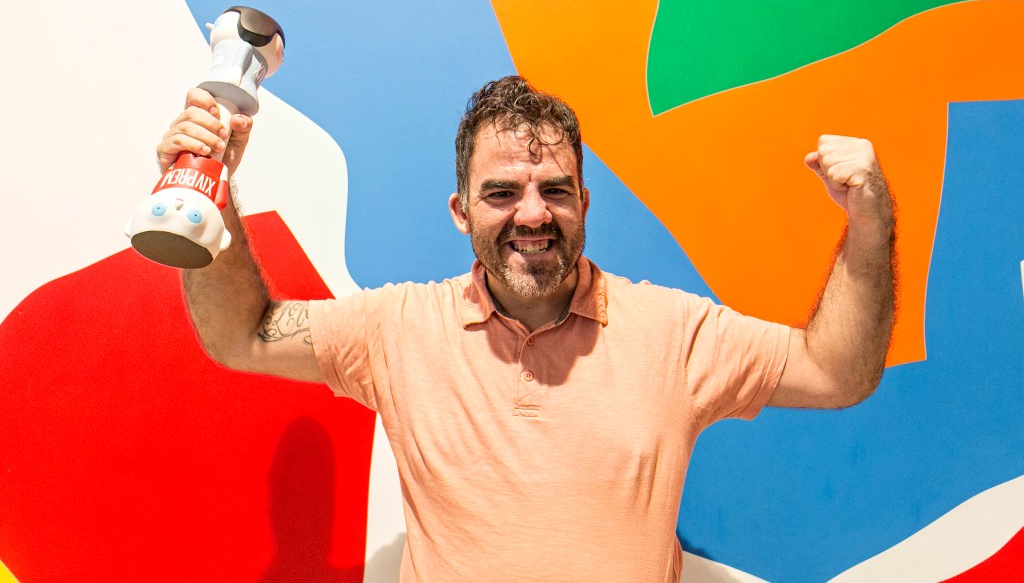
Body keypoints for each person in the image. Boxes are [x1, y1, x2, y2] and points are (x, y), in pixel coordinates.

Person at [159, 75, 896, 582]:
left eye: (555, 190)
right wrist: (208, 190)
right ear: (462, 212)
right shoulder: (395, 328)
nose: (533, 214)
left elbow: (835, 372)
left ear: (584, 203)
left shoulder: (675, 333)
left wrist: (870, 223)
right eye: (502, 192)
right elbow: (241, 332)